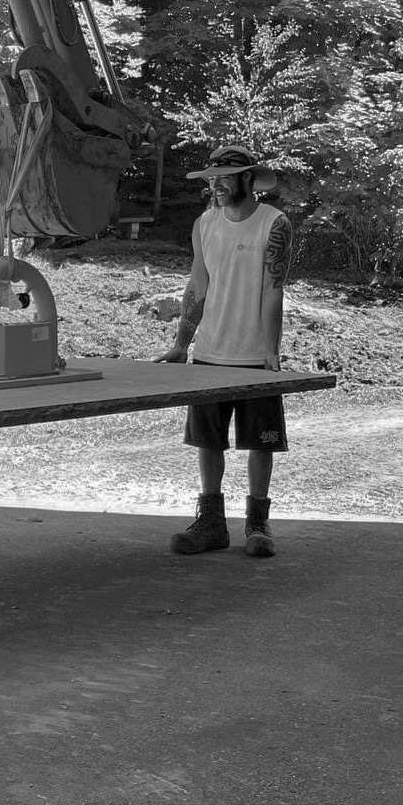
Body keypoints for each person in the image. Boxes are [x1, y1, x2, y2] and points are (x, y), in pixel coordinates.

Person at [157, 143, 293, 558]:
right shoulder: (204, 224)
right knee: (208, 441)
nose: (215, 186)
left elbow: (274, 289)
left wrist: (271, 351)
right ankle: (212, 523)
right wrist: (182, 343)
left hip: (255, 357)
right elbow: (198, 284)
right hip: (210, 352)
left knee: (261, 442)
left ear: (248, 180)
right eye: (211, 179)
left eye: (224, 178)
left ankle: (257, 524)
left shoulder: (275, 223)